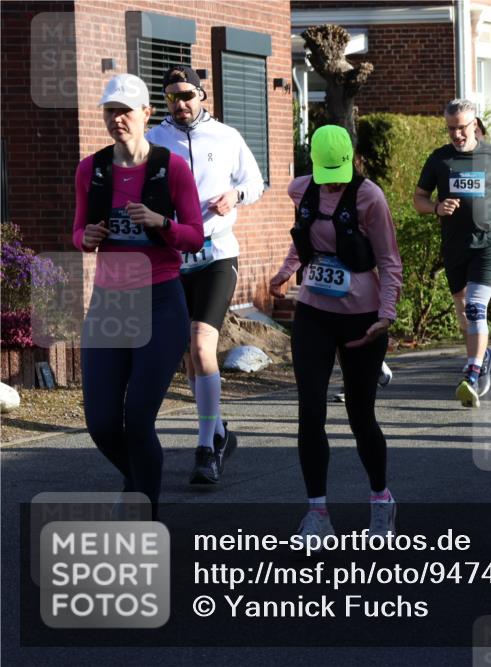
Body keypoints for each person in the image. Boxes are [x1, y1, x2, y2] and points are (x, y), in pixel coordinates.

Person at [74, 74, 204, 517]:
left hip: (161, 302)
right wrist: (85, 237)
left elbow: (194, 237)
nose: (118, 120)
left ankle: (146, 516)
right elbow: (77, 231)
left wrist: (159, 222)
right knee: (102, 423)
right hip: (109, 305)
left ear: (147, 114)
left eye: (126, 111)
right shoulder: (91, 169)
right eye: (111, 111)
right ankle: (138, 478)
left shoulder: (173, 167)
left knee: (139, 417)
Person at [269, 125, 403, 538]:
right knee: (310, 412)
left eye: (338, 171)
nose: (332, 180)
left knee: (360, 415)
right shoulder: (300, 190)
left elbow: (389, 259)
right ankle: (318, 513)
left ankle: (381, 502)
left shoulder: (369, 197)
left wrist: (387, 314)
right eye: (325, 172)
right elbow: (307, 238)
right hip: (313, 311)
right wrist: (286, 272)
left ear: (352, 159)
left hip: (362, 317)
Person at [145, 65, 264, 484]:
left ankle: (205, 448)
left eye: (187, 96)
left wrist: (236, 194)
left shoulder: (227, 137)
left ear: (202, 96)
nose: (180, 104)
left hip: (217, 255)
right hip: (173, 258)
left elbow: (256, 182)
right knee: (192, 356)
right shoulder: (154, 140)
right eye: (172, 97)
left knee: (200, 344)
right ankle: (218, 431)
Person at [414, 100, 491, 408]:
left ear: (474, 124)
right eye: (451, 128)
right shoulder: (439, 159)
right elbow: (419, 198)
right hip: (454, 247)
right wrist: (436, 207)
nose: (457, 134)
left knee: (476, 308)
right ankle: (482, 357)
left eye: (462, 127)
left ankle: (472, 374)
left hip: (487, 244)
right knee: (465, 319)